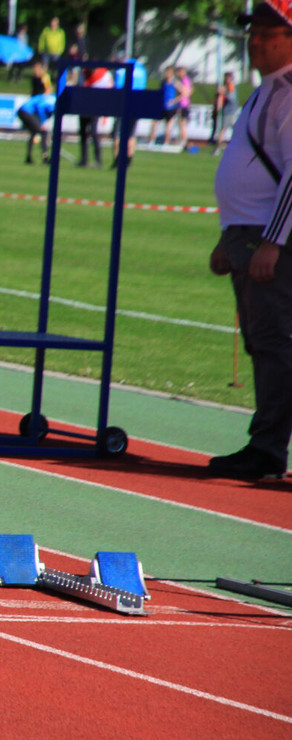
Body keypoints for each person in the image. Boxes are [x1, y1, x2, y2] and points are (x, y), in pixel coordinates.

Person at [207, 1, 292, 481]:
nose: (256, 41)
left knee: (275, 341)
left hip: (270, 236)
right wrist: (230, 238)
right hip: (250, 233)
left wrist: (272, 242)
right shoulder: (267, 90)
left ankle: (268, 450)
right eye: (253, 33)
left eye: (269, 34)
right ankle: (265, 443)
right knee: (264, 341)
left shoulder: (289, 92)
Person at [16, 92, 55, 164]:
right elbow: (41, 108)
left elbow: (45, 114)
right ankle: (45, 157)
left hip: (23, 112)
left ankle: (29, 157)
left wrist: (41, 123)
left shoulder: (51, 98)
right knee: (44, 133)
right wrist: (41, 124)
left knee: (34, 133)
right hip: (26, 112)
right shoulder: (53, 99)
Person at [214, 71, 239, 154]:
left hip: (231, 111)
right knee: (223, 129)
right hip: (227, 111)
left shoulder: (231, 86)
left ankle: (233, 147)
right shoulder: (226, 86)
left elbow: (232, 99)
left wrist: (223, 93)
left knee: (230, 129)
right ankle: (219, 147)